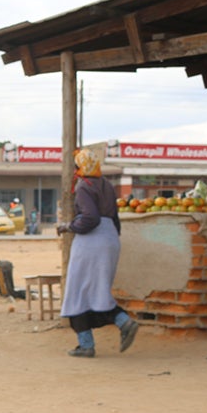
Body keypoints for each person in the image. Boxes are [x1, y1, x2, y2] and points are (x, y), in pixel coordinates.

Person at [57, 148, 138, 358]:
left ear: (81, 168)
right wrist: (109, 238)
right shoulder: (108, 186)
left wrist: (69, 226)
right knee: (96, 290)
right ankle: (118, 325)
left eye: (76, 166)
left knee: (78, 292)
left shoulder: (84, 186)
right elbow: (115, 220)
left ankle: (91, 342)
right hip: (110, 239)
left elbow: (90, 218)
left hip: (91, 242)